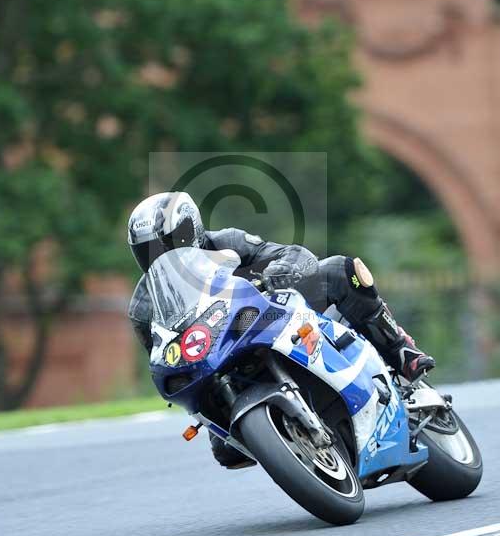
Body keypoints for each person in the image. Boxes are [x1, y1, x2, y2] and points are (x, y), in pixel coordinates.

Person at [128, 191, 435, 467]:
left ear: (191, 229)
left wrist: (280, 270)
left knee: (343, 270)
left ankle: (401, 350)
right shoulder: (143, 306)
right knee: (225, 452)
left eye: (169, 242)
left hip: (270, 315)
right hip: (216, 352)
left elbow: (291, 254)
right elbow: (163, 351)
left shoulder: (226, 241)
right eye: (150, 249)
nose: (163, 253)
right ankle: (247, 422)